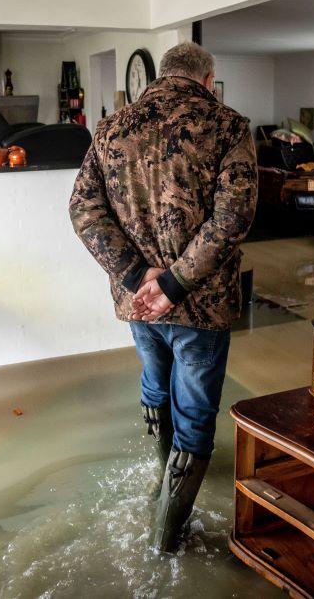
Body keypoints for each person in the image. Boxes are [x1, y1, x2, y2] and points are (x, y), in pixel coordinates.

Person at [68, 42, 257, 552]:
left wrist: (138, 278)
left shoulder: (110, 128)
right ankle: (165, 536)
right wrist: (173, 285)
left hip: (139, 302)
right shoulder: (229, 125)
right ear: (206, 78)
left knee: (155, 378)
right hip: (201, 304)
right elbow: (232, 219)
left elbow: (84, 211)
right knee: (195, 410)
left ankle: (161, 482)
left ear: (161, 75)